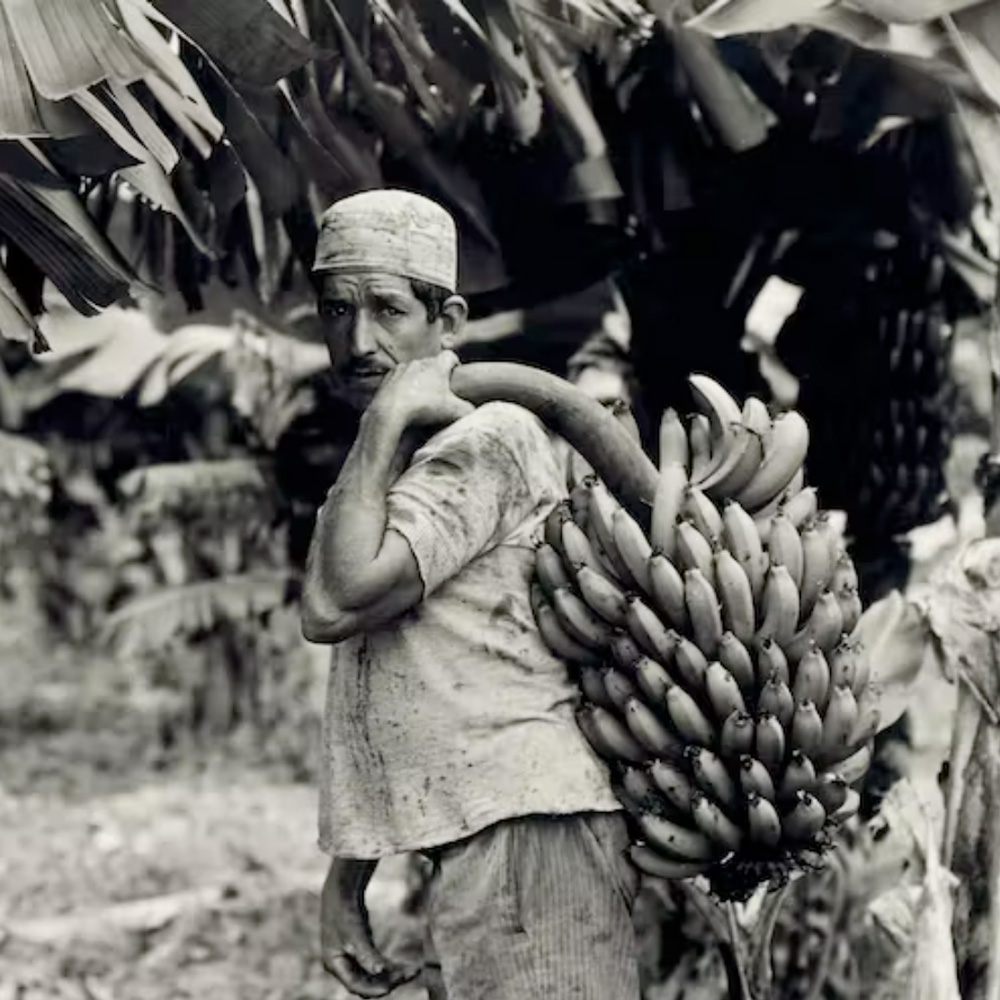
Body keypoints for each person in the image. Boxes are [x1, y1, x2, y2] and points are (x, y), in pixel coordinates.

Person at [300, 189, 641, 1000]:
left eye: (388, 309)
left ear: (446, 323)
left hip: (529, 835)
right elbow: (405, 678)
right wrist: (346, 884)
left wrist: (382, 422)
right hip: (481, 831)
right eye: (336, 310)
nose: (358, 340)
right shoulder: (396, 464)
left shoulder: (489, 438)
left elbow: (335, 605)